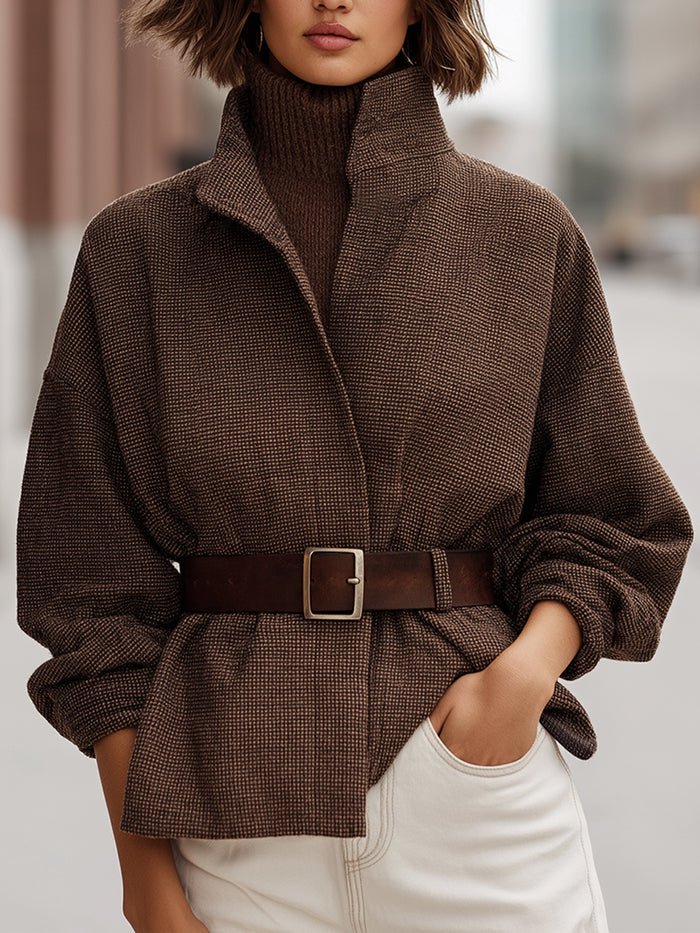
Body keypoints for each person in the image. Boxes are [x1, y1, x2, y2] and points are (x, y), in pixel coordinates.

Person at [17, 1, 693, 931]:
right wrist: (145, 877)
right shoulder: (137, 251)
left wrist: (522, 678)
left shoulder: (522, 233)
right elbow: (89, 580)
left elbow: (620, 517)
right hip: (231, 813)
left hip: (473, 797)